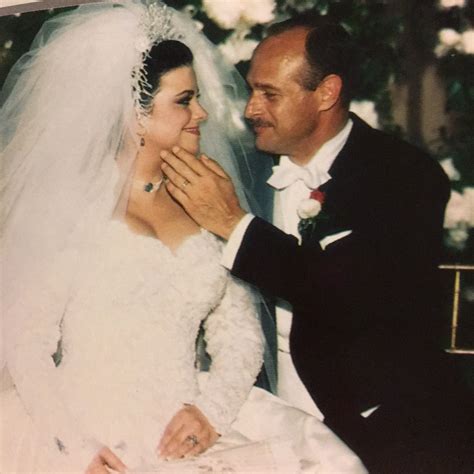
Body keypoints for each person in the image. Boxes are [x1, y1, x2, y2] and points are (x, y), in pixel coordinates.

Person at [0, 2, 367, 473]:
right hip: (84, 431)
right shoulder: (71, 209)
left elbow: (238, 337)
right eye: (184, 100)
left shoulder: (207, 200)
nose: (203, 112)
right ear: (135, 115)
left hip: (185, 427)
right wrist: (74, 446)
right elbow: (28, 344)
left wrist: (210, 412)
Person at [160, 11, 474, 473]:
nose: (251, 109)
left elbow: (351, 295)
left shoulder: (405, 176)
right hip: (257, 417)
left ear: (327, 92)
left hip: (383, 426)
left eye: (270, 94)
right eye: (251, 89)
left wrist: (233, 223)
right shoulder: (241, 171)